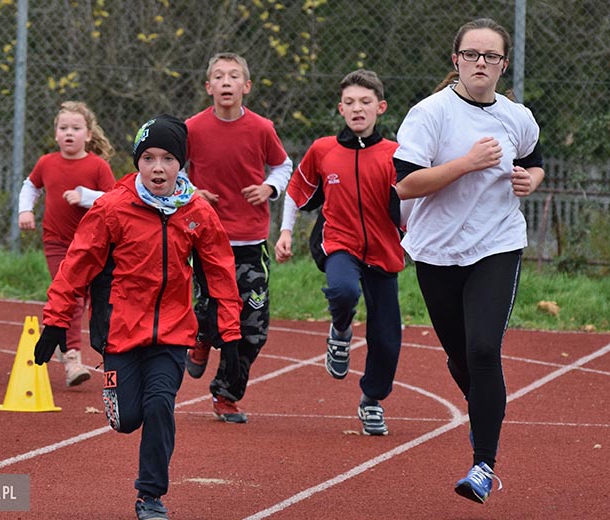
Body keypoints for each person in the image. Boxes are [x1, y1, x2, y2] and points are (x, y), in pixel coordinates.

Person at [33, 115, 243, 520]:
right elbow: (77, 265)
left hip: (172, 331)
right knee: (128, 420)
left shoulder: (196, 211)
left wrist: (230, 334)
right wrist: (56, 320)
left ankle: (150, 496)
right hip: (120, 330)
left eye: (168, 158)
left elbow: (220, 270)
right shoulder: (112, 207)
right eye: (148, 158)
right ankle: (120, 402)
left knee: (161, 403)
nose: (158, 168)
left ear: (182, 164)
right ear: (137, 162)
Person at [393, 18, 544, 504]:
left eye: (491, 57)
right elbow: (404, 185)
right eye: (472, 54)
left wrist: (532, 179)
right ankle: (483, 405)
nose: (482, 63)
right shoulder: (429, 114)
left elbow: (536, 158)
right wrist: (467, 163)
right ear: (455, 59)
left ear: (503, 64)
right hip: (437, 250)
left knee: (483, 351)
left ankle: (483, 464)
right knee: (461, 358)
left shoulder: (516, 117)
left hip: (497, 243)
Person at [274, 69, 405, 436]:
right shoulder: (323, 150)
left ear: (380, 107)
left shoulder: (395, 154)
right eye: (349, 103)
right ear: (340, 109)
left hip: (383, 251)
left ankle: (372, 401)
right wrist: (286, 232)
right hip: (340, 244)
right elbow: (296, 193)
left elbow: (414, 206)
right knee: (344, 290)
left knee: (387, 335)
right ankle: (341, 329)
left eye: (365, 102)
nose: (357, 109)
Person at [184, 52, 292, 423]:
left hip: (250, 243)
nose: (226, 82)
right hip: (208, 243)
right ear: (208, 87)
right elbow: (171, 170)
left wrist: (269, 188)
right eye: (219, 76)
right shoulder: (192, 129)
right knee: (212, 317)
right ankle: (199, 340)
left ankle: (226, 394)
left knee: (252, 330)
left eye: (233, 76)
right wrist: (192, 191)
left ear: (245, 87)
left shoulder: (261, 128)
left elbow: (282, 165)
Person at [18, 101, 116, 387]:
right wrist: (25, 210)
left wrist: (85, 197)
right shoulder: (46, 163)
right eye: (63, 128)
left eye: (76, 128)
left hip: (94, 245)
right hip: (57, 242)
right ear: (56, 133)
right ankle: (72, 357)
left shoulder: (98, 166)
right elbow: (31, 186)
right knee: (70, 297)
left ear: (88, 134)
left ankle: (99, 352)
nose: (69, 133)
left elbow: (115, 200)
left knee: (90, 301)